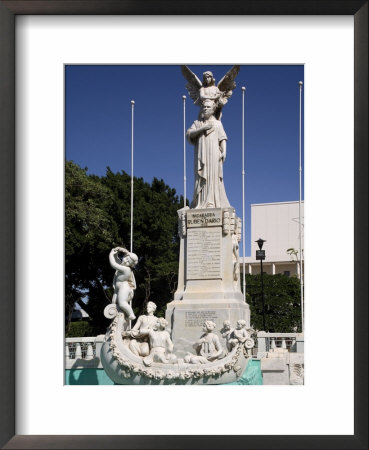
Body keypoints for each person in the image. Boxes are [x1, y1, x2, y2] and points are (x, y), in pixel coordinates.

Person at [187, 99, 230, 209]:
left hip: (214, 154)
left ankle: (211, 201)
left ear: (213, 109)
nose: (205, 109)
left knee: (212, 176)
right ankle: (200, 203)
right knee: (200, 177)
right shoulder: (198, 123)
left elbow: (222, 138)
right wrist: (202, 128)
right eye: (204, 107)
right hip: (201, 154)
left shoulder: (217, 123)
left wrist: (224, 151)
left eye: (208, 107)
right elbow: (189, 134)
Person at [109, 247, 138, 320]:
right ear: (124, 257)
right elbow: (117, 261)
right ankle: (115, 318)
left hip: (123, 287)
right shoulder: (122, 265)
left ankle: (131, 314)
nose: (126, 262)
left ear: (131, 265)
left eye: (128, 262)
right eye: (126, 259)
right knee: (113, 304)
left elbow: (113, 264)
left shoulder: (126, 269)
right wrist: (115, 254)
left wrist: (111, 255)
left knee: (122, 303)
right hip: (118, 288)